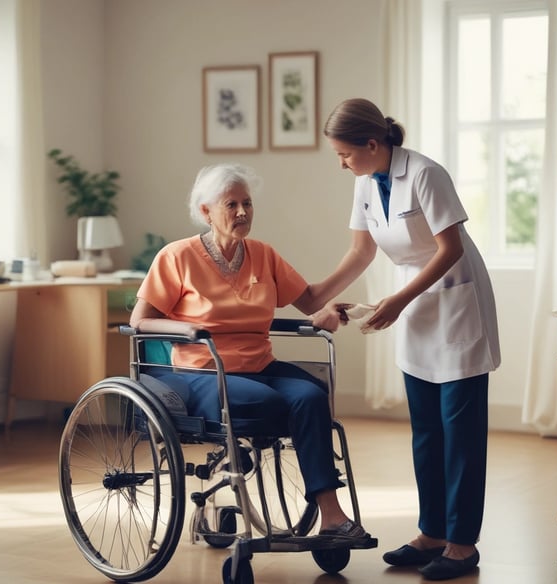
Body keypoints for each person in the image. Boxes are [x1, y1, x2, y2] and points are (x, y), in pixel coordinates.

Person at [129, 162, 368, 540]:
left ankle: (333, 516)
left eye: (248, 204)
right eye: (231, 205)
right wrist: (186, 328)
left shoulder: (262, 254)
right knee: (266, 403)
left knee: (311, 396)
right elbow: (139, 321)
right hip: (204, 370)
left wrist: (356, 263)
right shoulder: (177, 257)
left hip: (261, 363)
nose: (243, 212)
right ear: (206, 211)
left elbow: (309, 300)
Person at [314, 98, 501, 580]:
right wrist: (314, 295)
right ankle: (431, 533)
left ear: (373, 144)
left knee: (459, 434)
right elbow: (360, 251)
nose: (341, 164)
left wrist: (396, 300)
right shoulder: (364, 181)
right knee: (425, 431)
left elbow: (451, 248)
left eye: (345, 155)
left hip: (455, 299)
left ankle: (462, 545)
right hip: (413, 305)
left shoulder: (425, 174)